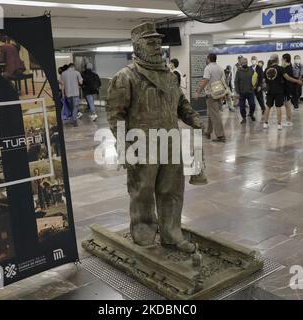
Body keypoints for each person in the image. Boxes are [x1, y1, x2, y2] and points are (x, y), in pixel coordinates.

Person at [107, 22, 204, 253]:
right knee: (142, 191)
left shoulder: (169, 75)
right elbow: (115, 115)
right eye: (151, 42)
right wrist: (124, 147)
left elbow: (180, 103)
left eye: (159, 41)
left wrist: (194, 119)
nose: (157, 46)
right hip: (141, 144)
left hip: (170, 141)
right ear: (137, 46)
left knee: (172, 189)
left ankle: (171, 232)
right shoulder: (126, 76)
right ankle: (143, 233)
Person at [195, 53, 226, 143]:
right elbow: (223, 80)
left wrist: (198, 92)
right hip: (218, 93)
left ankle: (220, 136)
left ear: (208, 59)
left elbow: (205, 80)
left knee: (215, 115)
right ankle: (208, 132)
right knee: (210, 114)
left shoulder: (208, 68)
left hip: (211, 95)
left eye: (206, 59)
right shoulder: (220, 68)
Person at [263, 54, 285, 130]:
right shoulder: (280, 68)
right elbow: (287, 78)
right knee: (278, 107)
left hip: (269, 91)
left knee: (268, 107)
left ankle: (265, 123)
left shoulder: (266, 69)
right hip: (279, 90)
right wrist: (297, 81)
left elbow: (264, 81)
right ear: (277, 60)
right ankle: (279, 125)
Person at [282, 53, 303, 127]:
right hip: (288, 88)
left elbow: (288, 78)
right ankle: (288, 120)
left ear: (284, 59)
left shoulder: (287, 68)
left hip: (287, 88)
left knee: (287, 106)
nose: (281, 61)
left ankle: (289, 121)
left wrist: (297, 81)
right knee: (287, 105)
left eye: (282, 59)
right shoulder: (289, 66)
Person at [60, 63, 83, 127]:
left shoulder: (63, 73)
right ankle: (74, 120)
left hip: (68, 94)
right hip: (75, 93)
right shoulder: (77, 73)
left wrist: (63, 94)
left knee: (71, 107)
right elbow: (81, 82)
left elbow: (62, 84)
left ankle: (73, 118)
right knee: (75, 107)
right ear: (73, 67)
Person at [235, 57, 256, 124]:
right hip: (242, 93)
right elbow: (236, 82)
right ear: (241, 63)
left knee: (252, 104)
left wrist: (255, 85)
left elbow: (255, 78)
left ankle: (251, 114)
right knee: (242, 107)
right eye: (243, 62)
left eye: (246, 62)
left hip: (250, 91)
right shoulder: (238, 71)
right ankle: (244, 118)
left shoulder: (251, 70)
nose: (245, 63)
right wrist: (237, 92)